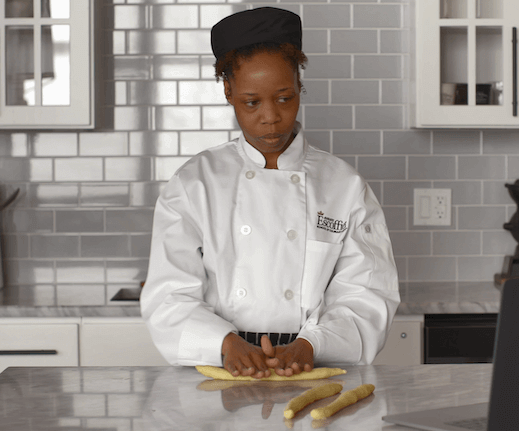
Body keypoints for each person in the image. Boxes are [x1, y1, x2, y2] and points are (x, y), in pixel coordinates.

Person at [140, 7, 400, 379]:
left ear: (299, 86)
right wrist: (226, 344)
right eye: (251, 102)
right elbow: (167, 294)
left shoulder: (344, 186)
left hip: (314, 364)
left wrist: (312, 344)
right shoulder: (195, 183)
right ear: (228, 91)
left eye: (284, 98)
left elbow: (368, 293)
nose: (271, 117)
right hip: (222, 367)